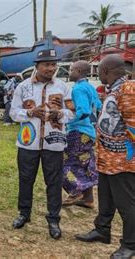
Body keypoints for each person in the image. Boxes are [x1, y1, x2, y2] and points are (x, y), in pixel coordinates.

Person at [10, 49, 74, 240]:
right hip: (28, 143)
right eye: (46, 64)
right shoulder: (23, 87)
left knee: (54, 183)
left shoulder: (63, 87)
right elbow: (13, 112)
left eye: (53, 64)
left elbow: (73, 112)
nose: (51, 68)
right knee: (26, 179)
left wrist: (60, 114)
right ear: (36, 66)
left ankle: (53, 219)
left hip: (53, 144)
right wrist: (29, 113)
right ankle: (24, 213)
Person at [76, 55, 135, 258]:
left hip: (122, 161)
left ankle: (130, 244)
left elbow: (133, 126)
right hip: (107, 157)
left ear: (107, 71)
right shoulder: (115, 89)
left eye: (99, 70)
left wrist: (130, 155)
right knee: (106, 197)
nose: (98, 74)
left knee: (127, 204)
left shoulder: (127, 90)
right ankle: (102, 230)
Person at [62, 61, 102, 209]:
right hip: (90, 132)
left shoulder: (78, 89)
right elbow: (98, 106)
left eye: (71, 70)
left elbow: (83, 111)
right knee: (83, 163)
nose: (69, 72)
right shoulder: (90, 87)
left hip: (78, 131)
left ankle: (74, 192)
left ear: (78, 71)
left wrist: (66, 119)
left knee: (62, 163)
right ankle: (88, 199)